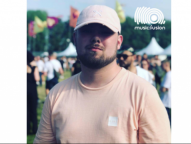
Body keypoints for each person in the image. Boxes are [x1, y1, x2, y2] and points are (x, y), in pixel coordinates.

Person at [34, 5, 170, 143]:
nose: (96, 38)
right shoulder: (56, 95)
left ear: (119, 42)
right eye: (87, 31)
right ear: (75, 38)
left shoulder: (143, 94)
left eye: (105, 31)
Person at [27, 51, 40, 135]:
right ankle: (35, 129)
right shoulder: (34, 67)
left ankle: (27, 129)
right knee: (33, 110)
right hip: (32, 90)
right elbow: (37, 79)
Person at [160, 59, 172, 127]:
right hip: (167, 101)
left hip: (166, 101)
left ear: (166, 65)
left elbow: (164, 88)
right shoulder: (169, 74)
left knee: (166, 122)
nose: (161, 66)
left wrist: (161, 88)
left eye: (162, 64)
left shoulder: (168, 74)